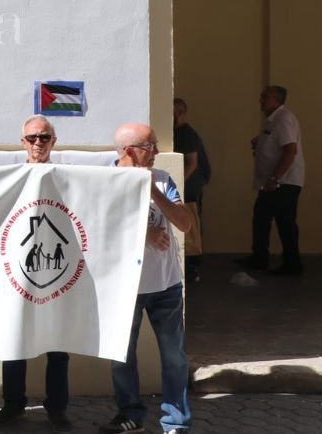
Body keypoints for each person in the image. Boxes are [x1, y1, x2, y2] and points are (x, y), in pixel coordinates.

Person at [100, 123, 193, 434]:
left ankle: (176, 422)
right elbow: (101, 230)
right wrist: (147, 234)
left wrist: (152, 190)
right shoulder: (106, 182)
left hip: (166, 284)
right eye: (149, 146)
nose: (156, 152)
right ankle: (130, 415)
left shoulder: (163, 179)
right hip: (126, 288)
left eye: (155, 145)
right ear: (129, 151)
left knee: (175, 357)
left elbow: (185, 223)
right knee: (122, 356)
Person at [0, 116, 72, 432]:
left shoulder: (66, 177)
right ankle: (13, 404)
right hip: (17, 272)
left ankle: (57, 407)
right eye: (32, 138)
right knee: (15, 340)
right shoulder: (11, 177)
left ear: (54, 141)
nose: (38, 143)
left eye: (45, 137)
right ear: (22, 142)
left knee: (58, 343)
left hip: (58, 272)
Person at [237, 85, 306, 275]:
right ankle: (259, 258)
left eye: (265, 97)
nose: (261, 101)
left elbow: (290, 150)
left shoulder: (284, 119)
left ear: (277, 100)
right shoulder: (271, 121)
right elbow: (275, 143)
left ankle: (292, 264)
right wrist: (260, 143)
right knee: (261, 218)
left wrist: (276, 178)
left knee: (285, 222)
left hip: (283, 182)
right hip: (270, 182)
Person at [173, 98, 210, 281]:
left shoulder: (186, 134)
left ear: (179, 112)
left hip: (189, 186)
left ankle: (193, 267)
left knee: (191, 225)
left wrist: (179, 184)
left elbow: (192, 164)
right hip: (185, 185)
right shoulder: (176, 132)